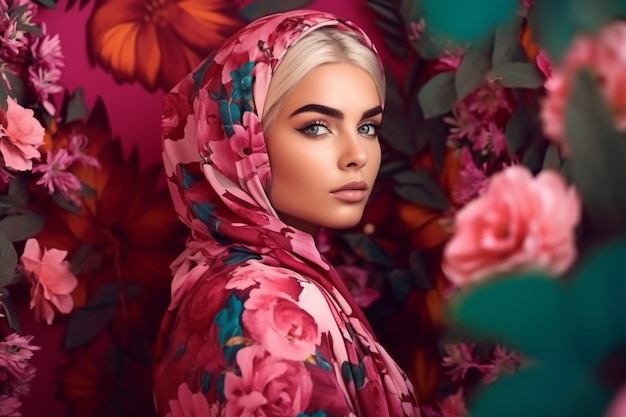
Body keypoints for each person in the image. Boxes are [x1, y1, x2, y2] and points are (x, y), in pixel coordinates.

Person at [153, 9, 420, 417]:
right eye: (317, 126)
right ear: (240, 142)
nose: (357, 156)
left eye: (367, 127)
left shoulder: (240, 276)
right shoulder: (260, 307)